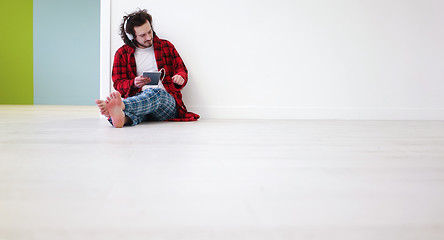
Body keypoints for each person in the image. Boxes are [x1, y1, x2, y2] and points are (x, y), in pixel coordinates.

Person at [95, 9, 199, 128]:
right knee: (136, 111)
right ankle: (122, 119)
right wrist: (134, 83)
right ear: (131, 36)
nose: (149, 37)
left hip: (165, 104)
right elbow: (118, 83)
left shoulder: (165, 46)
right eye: (142, 35)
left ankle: (122, 105)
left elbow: (181, 69)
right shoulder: (122, 54)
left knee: (155, 93)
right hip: (140, 102)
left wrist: (180, 76)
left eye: (150, 31)